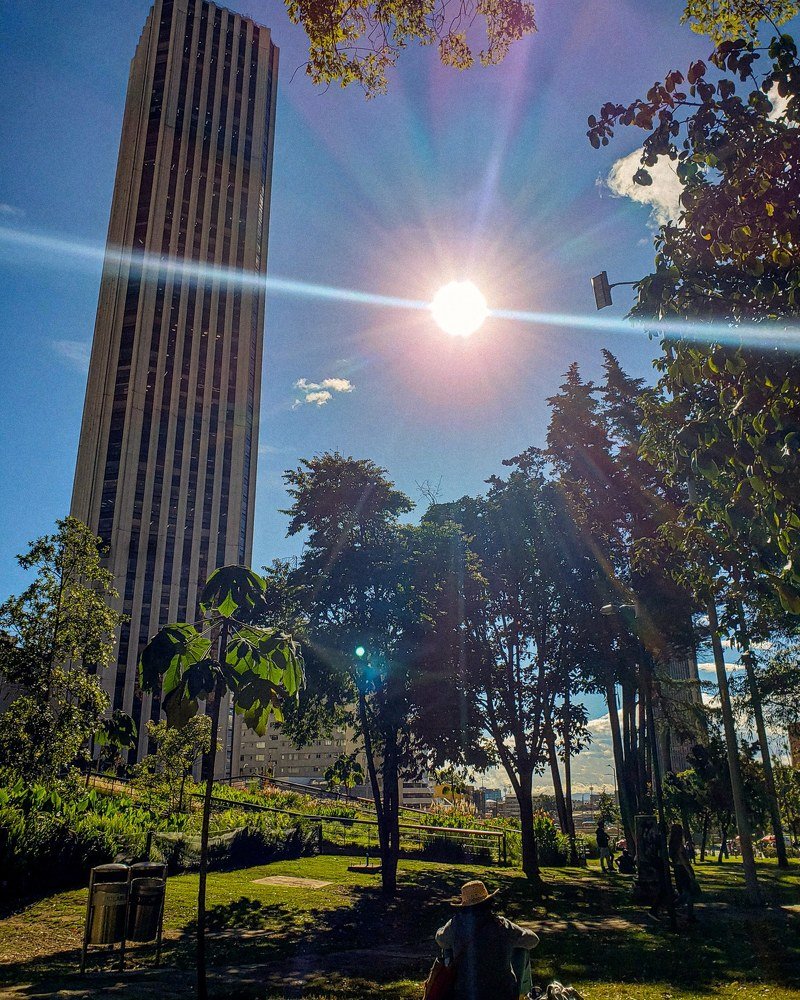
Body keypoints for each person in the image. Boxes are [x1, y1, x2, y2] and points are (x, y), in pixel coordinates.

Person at [435, 879, 540, 1000]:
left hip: (464, 994)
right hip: (503, 994)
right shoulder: (503, 925)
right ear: (488, 901)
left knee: (447, 948)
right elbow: (533, 940)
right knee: (521, 950)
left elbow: (440, 939)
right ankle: (524, 994)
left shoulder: (455, 924)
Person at [669, 823, 699, 922]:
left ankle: (688, 913)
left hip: (677, 869)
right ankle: (673, 906)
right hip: (683, 870)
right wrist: (690, 872)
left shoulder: (671, 844)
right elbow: (683, 860)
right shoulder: (679, 845)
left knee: (685, 892)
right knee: (688, 893)